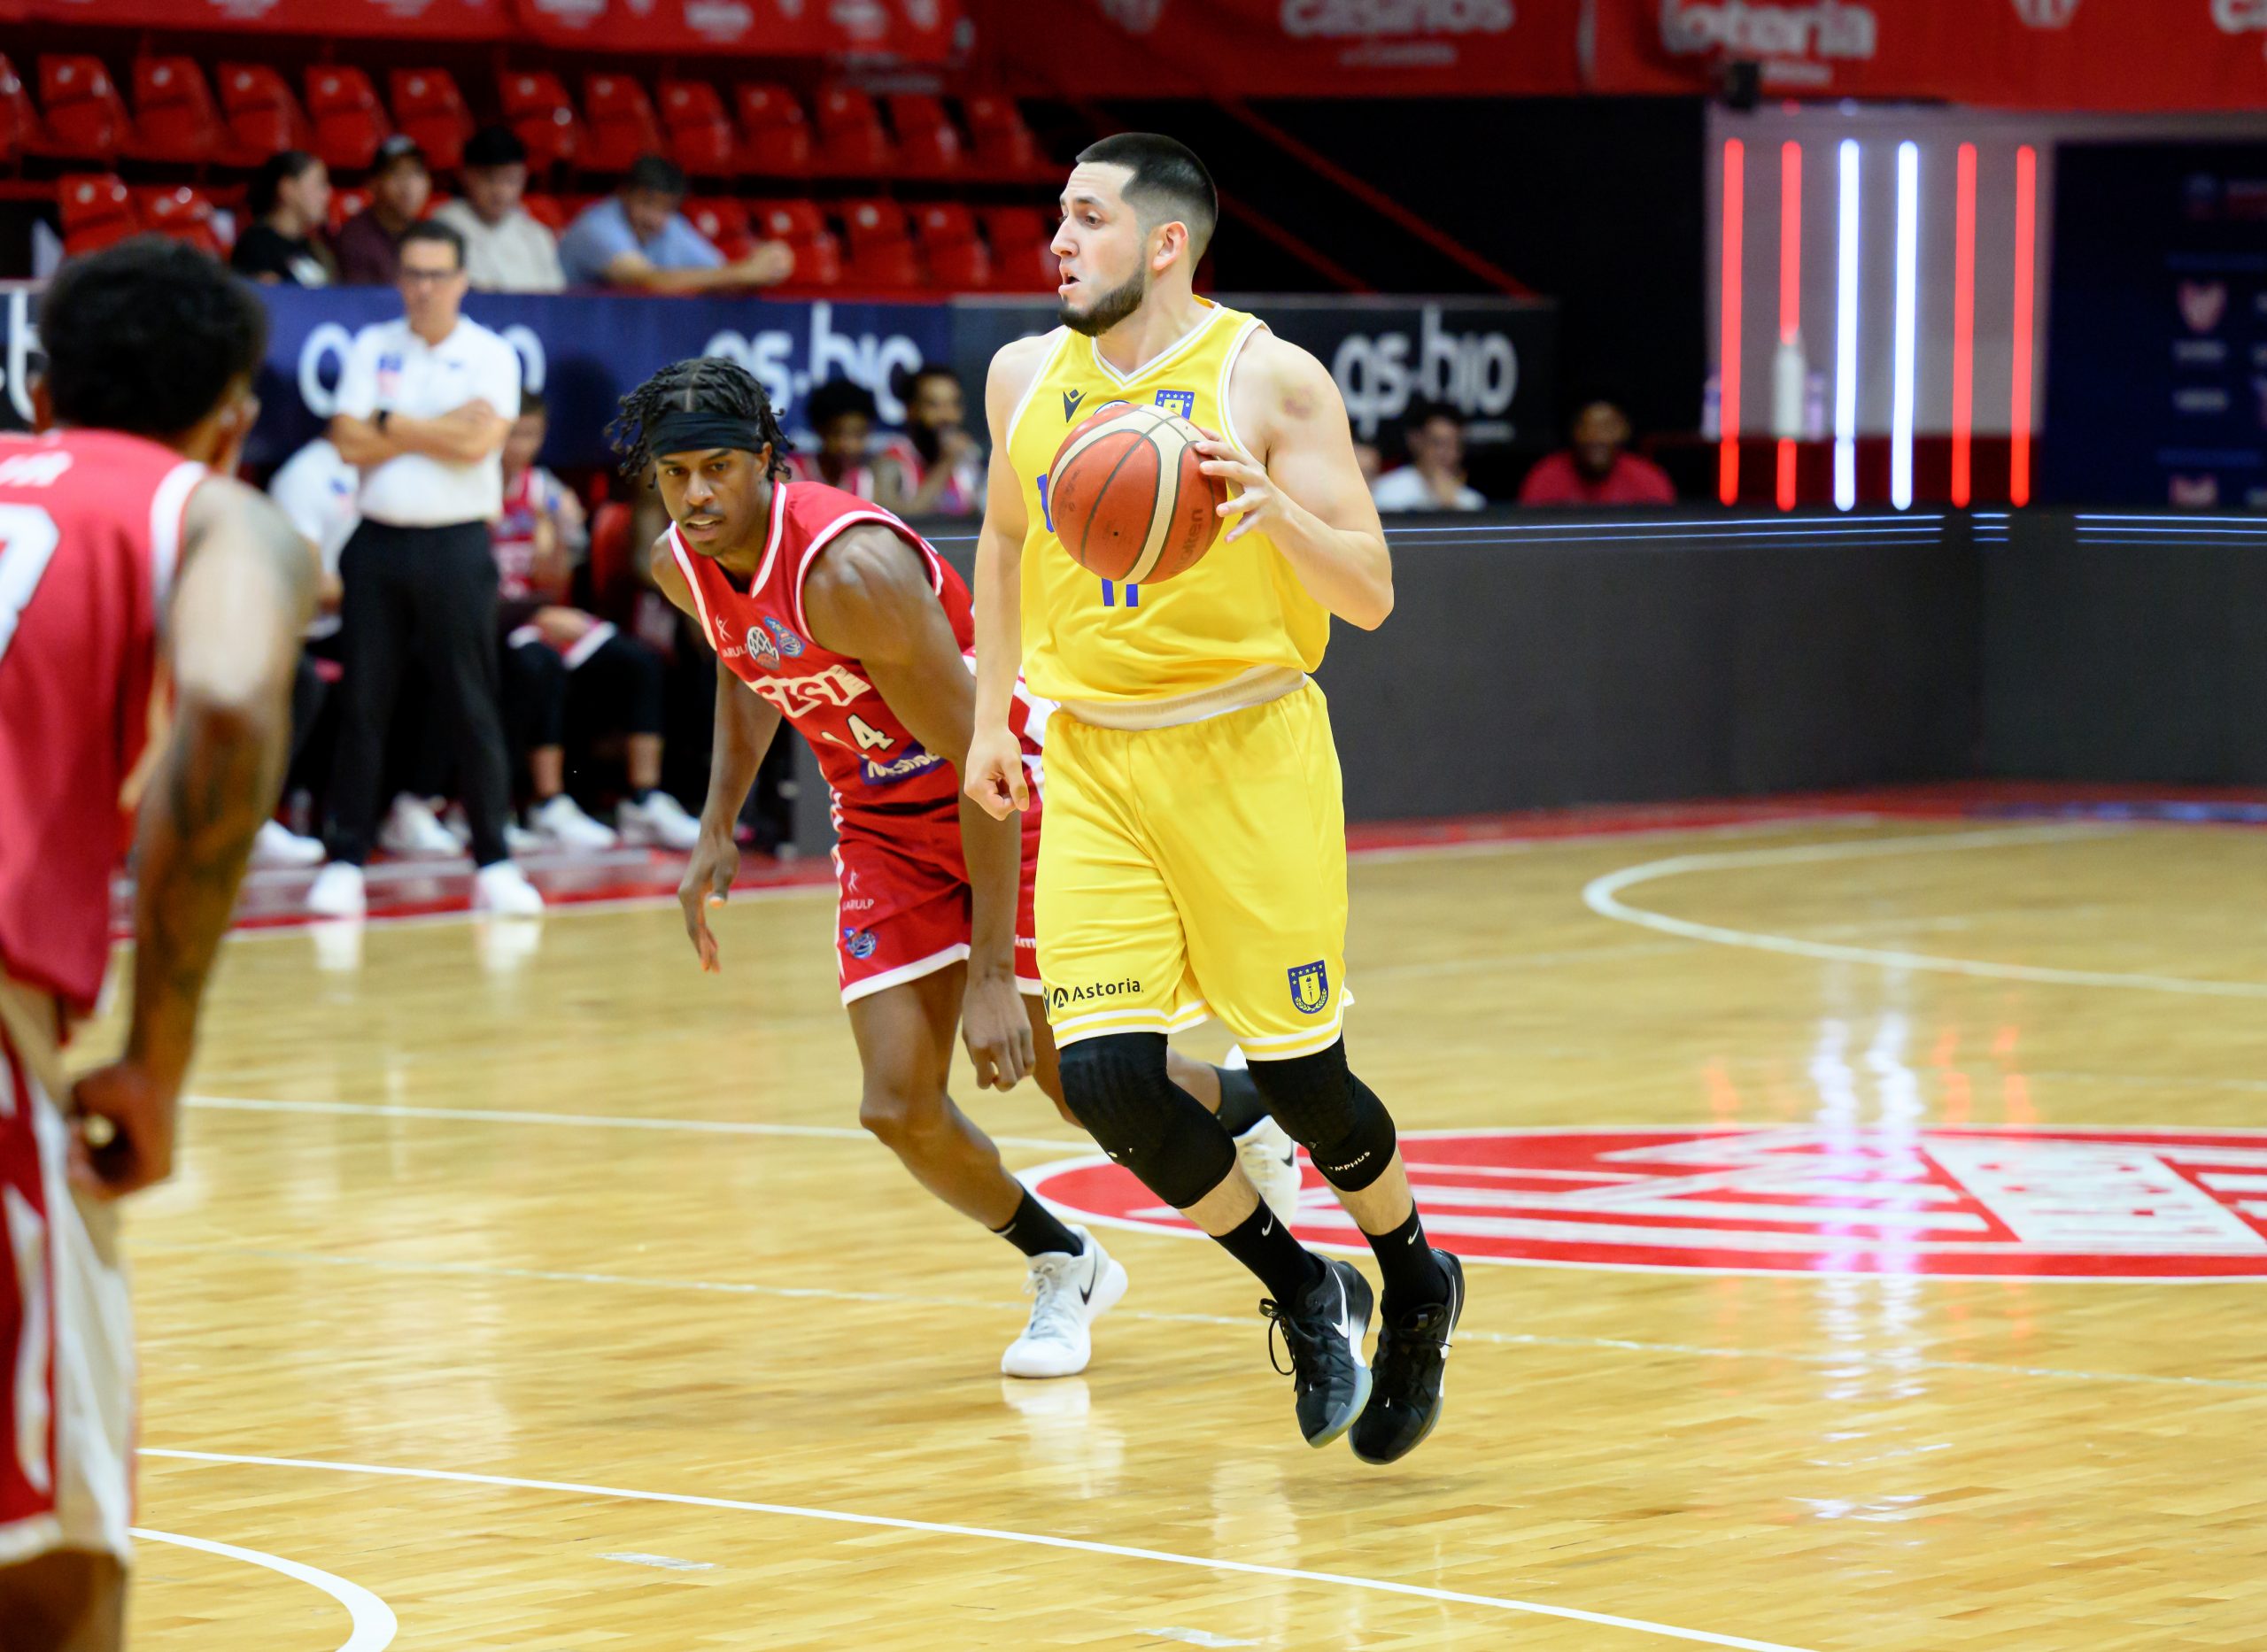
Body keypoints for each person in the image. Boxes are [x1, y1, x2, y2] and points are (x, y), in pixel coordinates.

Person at [615, 357, 1300, 1379]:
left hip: (1005, 793)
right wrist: (717, 822)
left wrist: (987, 978)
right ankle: (1066, 1263)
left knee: (1080, 1087)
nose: (697, 495)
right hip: (882, 823)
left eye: (718, 467)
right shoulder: (681, 563)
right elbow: (747, 655)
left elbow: (985, 772)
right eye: (676, 475)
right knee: (896, 1107)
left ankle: (1249, 1108)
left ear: (765, 461)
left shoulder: (850, 574)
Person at [966, 134, 1463, 1463]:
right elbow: (1004, 543)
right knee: (1108, 1079)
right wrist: (992, 717)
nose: (1058, 241)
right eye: (1058, 216)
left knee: (1302, 1081)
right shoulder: (1024, 376)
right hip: (1095, 759)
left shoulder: (1269, 379)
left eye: (1087, 218)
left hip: (1248, 750)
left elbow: (1371, 592)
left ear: (1166, 241)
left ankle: (1415, 1278)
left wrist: (1271, 515)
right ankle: (1304, 1288)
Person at [0, 236, 314, 1651]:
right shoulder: (210, 513)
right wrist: (158, 1061)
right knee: (59, 1576)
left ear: (39, 388)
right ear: (234, 420)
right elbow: (235, 698)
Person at [308, 220, 543, 919]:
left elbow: (478, 445)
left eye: (437, 275)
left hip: (456, 548)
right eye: (412, 273)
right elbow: (346, 442)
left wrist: (390, 422)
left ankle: (494, 861)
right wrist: (436, 426)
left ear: (461, 281)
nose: (423, 288)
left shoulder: (491, 354)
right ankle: (345, 858)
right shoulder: (371, 345)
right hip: (376, 546)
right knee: (364, 704)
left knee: (472, 702)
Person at [493, 391, 700, 850]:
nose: (520, 446)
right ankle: (546, 803)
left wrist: (554, 542)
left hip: (542, 614)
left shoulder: (546, 491)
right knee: (539, 663)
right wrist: (537, 612)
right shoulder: (467, 491)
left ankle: (642, 800)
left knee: (640, 663)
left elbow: (554, 580)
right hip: (493, 624)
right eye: (512, 434)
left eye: (531, 435)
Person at [558, 156, 793, 294]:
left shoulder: (671, 227)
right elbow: (647, 282)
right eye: (647, 203)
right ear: (624, 193)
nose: (655, 218)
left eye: (666, 208)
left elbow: (719, 275)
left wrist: (768, 265)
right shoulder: (597, 227)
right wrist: (744, 272)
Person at [430, 125, 566, 295]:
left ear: (523, 178)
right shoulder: (441, 228)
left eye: (510, 179)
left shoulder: (537, 236)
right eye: (490, 179)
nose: (500, 191)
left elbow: (555, 297)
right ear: (466, 176)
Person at [1518, 399, 1677, 507]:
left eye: (1607, 427)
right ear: (1574, 432)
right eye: (1587, 427)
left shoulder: (1649, 481)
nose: (1596, 437)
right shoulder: (1544, 479)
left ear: (1624, 431)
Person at [877, 364, 985, 519]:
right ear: (911, 410)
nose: (947, 415)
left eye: (954, 404)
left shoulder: (967, 460)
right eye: (934, 405)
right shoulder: (891, 462)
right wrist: (946, 463)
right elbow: (895, 523)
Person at [334, 135, 433, 287]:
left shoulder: (428, 234)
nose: (408, 186)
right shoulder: (355, 237)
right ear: (373, 184)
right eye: (396, 174)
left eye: (416, 173)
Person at [228, 150, 334, 288]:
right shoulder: (256, 247)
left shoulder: (317, 249)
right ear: (287, 189)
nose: (327, 194)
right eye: (319, 184)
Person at [1370, 401, 1484, 512]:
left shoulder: (1471, 502)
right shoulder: (1386, 491)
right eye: (1439, 444)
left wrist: (1450, 505)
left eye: (1455, 446)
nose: (1448, 454)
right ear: (1416, 441)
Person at [785, 377, 883, 497]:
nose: (849, 446)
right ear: (820, 430)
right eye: (839, 434)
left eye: (858, 435)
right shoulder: (790, 473)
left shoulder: (863, 481)